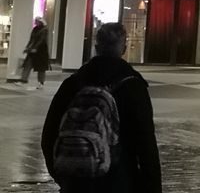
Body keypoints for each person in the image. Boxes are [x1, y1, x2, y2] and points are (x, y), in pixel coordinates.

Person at [41, 21, 161, 192]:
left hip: (76, 183)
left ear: (96, 47)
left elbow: (49, 135)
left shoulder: (73, 83)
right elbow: (146, 143)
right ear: (124, 49)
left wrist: (63, 175)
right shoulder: (133, 86)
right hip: (119, 180)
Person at [20, 18, 50, 87]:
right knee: (27, 64)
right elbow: (31, 39)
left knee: (41, 68)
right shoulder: (35, 29)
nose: (36, 22)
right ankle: (23, 79)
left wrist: (35, 48)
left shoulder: (44, 30)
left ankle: (41, 82)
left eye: (37, 21)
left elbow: (41, 40)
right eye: (35, 21)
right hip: (33, 50)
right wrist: (28, 47)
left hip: (41, 51)